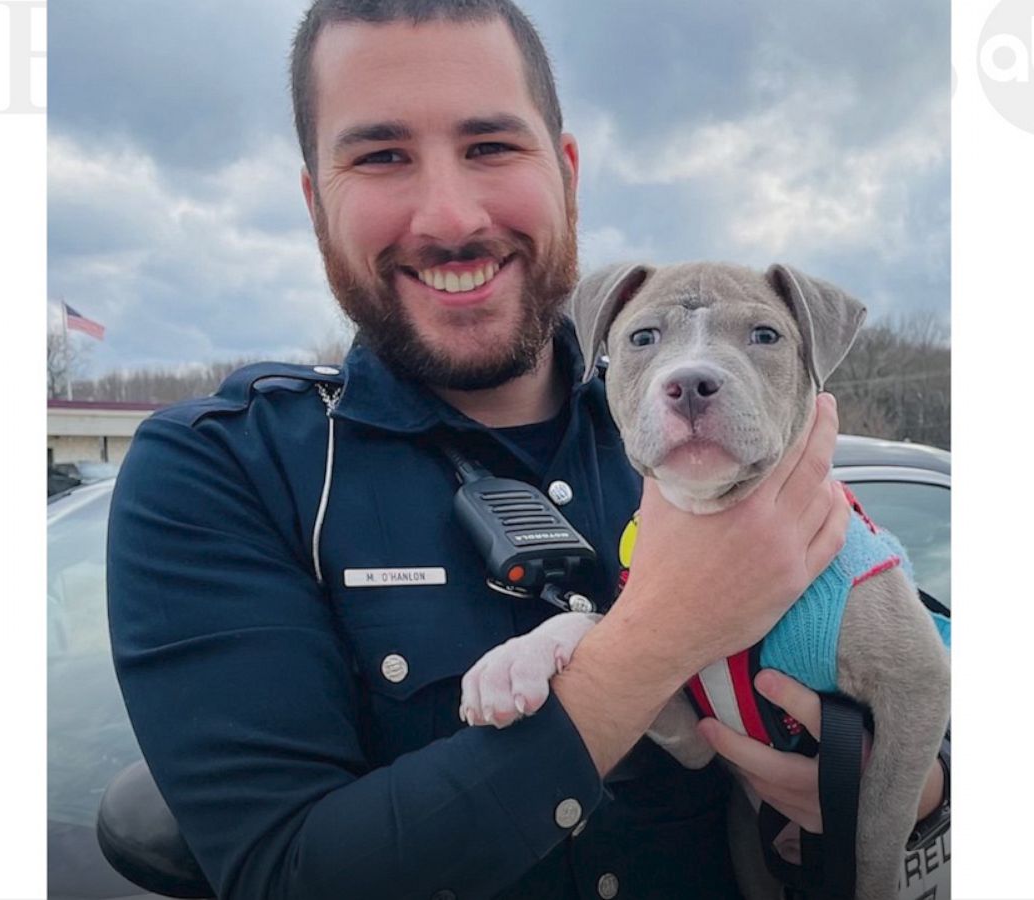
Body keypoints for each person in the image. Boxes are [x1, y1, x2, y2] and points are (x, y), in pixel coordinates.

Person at [106, 2, 943, 898]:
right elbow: (289, 876)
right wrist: (662, 634)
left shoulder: (729, 443)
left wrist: (923, 787)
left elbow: (914, 648)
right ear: (316, 199)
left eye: (491, 146)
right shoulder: (223, 473)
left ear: (567, 174)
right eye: (381, 155)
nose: (451, 215)